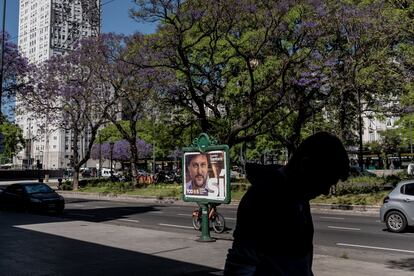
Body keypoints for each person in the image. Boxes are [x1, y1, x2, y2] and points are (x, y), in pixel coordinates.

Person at [224, 132, 350, 276]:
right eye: (324, 181)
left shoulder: (300, 198)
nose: (326, 191)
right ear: (305, 165)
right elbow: (240, 268)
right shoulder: (262, 198)